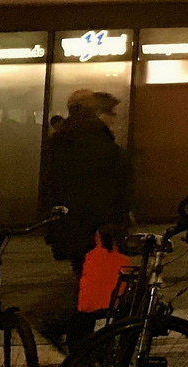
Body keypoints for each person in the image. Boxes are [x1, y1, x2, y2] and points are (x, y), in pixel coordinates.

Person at [40, 90, 132, 351]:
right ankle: (67, 332)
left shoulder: (63, 137)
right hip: (93, 226)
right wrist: (113, 222)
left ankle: (78, 340)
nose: (114, 118)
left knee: (88, 281)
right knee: (97, 285)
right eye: (111, 113)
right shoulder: (95, 139)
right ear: (99, 113)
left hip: (69, 223)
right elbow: (104, 184)